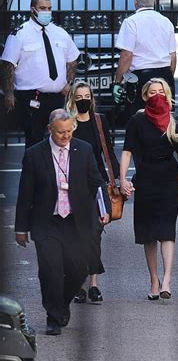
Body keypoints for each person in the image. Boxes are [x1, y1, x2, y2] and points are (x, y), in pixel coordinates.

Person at [14, 109, 110, 335]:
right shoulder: (34, 154)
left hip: (76, 221)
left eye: (69, 131)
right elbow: (25, 193)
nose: (65, 136)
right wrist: (20, 229)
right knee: (51, 270)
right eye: (60, 133)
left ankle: (61, 303)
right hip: (46, 221)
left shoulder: (84, 150)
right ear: (50, 130)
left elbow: (97, 182)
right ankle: (54, 317)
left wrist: (103, 208)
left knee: (78, 270)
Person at [120, 78, 178, 300]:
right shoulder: (137, 121)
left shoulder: (174, 120)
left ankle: (167, 280)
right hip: (145, 178)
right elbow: (127, 151)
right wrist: (122, 179)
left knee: (167, 228)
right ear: (144, 96)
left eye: (161, 91)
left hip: (168, 179)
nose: (157, 95)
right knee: (148, 233)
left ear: (167, 94)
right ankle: (153, 279)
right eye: (152, 92)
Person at [64, 81, 120, 304]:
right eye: (79, 97)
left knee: (94, 235)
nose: (83, 100)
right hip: (72, 187)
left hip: (97, 185)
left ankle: (93, 285)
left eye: (86, 96)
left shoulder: (99, 121)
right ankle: (78, 285)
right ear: (72, 100)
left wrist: (119, 180)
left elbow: (108, 151)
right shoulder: (67, 123)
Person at [1, 0, 79, 148]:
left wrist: (69, 83)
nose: (47, 12)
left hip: (57, 97)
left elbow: (72, 59)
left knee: (60, 140)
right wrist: (9, 93)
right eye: (42, 8)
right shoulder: (20, 34)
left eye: (49, 8)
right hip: (31, 97)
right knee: (34, 142)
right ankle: (32, 172)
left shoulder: (60, 32)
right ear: (33, 10)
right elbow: (7, 64)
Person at [113, 0, 178, 115]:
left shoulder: (131, 22)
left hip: (140, 77)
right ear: (154, 2)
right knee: (164, 116)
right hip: (164, 75)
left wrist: (118, 82)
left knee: (139, 117)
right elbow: (173, 56)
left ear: (135, 2)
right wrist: (169, 76)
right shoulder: (166, 22)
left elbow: (126, 55)